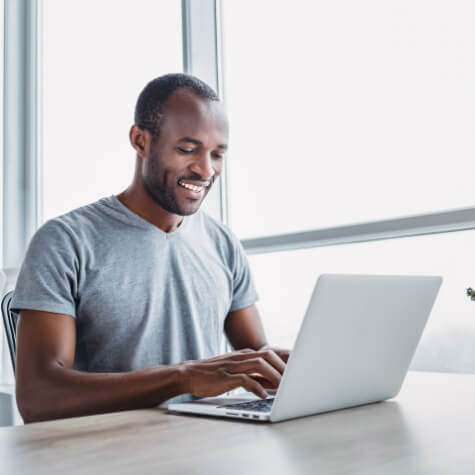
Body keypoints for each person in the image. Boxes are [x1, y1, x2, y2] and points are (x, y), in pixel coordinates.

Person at [11, 73, 289, 423]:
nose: (205, 169)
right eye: (187, 150)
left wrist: (296, 369)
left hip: (209, 446)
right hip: (107, 455)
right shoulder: (65, 241)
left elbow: (254, 354)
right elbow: (38, 398)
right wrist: (183, 377)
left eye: (217, 154)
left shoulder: (222, 242)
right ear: (140, 141)